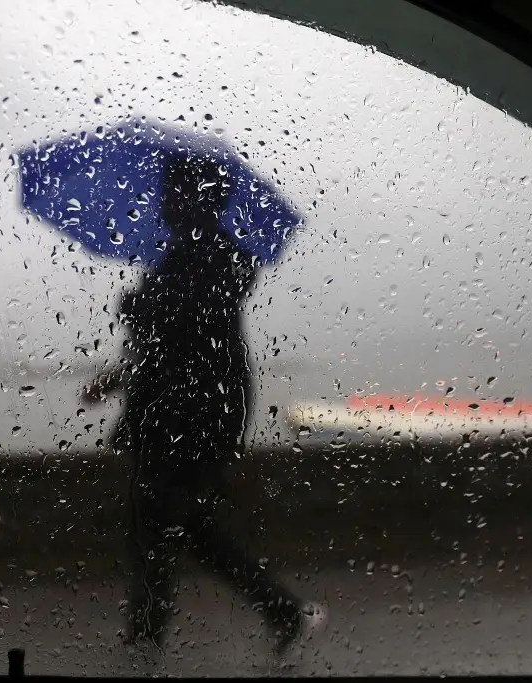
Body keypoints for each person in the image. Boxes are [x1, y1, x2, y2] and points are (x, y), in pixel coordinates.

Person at [84, 152, 323, 659]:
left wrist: (141, 308)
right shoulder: (182, 256)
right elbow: (163, 346)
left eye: (175, 192)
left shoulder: (216, 256)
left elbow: (191, 331)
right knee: (170, 522)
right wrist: (118, 374)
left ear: (200, 199)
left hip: (195, 411)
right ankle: (262, 613)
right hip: (176, 405)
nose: (166, 203)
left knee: (162, 520)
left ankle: (151, 634)